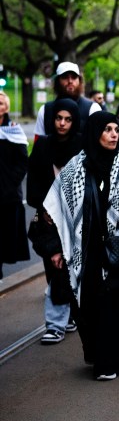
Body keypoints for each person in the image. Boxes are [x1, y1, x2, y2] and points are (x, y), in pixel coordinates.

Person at [44, 112, 119, 380]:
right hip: (88, 252)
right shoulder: (75, 169)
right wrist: (56, 248)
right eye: (107, 129)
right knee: (90, 308)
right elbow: (54, 210)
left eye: (117, 129)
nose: (114, 134)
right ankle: (100, 355)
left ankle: (110, 359)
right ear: (94, 132)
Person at [27, 99, 82, 344]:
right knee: (55, 267)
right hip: (49, 219)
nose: (62, 123)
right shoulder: (42, 147)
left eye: (68, 119)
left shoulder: (82, 146)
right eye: (58, 118)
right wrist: (47, 207)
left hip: (77, 217)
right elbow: (34, 185)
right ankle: (56, 322)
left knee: (75, 266)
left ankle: (68, 315)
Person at [0, 91, 30, 281]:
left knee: (3, 237)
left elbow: (22, 161)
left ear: (7, 106)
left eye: (2, 102)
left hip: (7, 194)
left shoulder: (13, 129)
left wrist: (10, 183)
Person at [34, 62, 101, 140]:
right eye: (65, 77)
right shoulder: (45, 110)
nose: (70, 81)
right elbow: (38, 142)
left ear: (80, 80)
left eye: (74, 77)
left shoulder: (93, 109)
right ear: (57, 81)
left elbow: (98, 143)